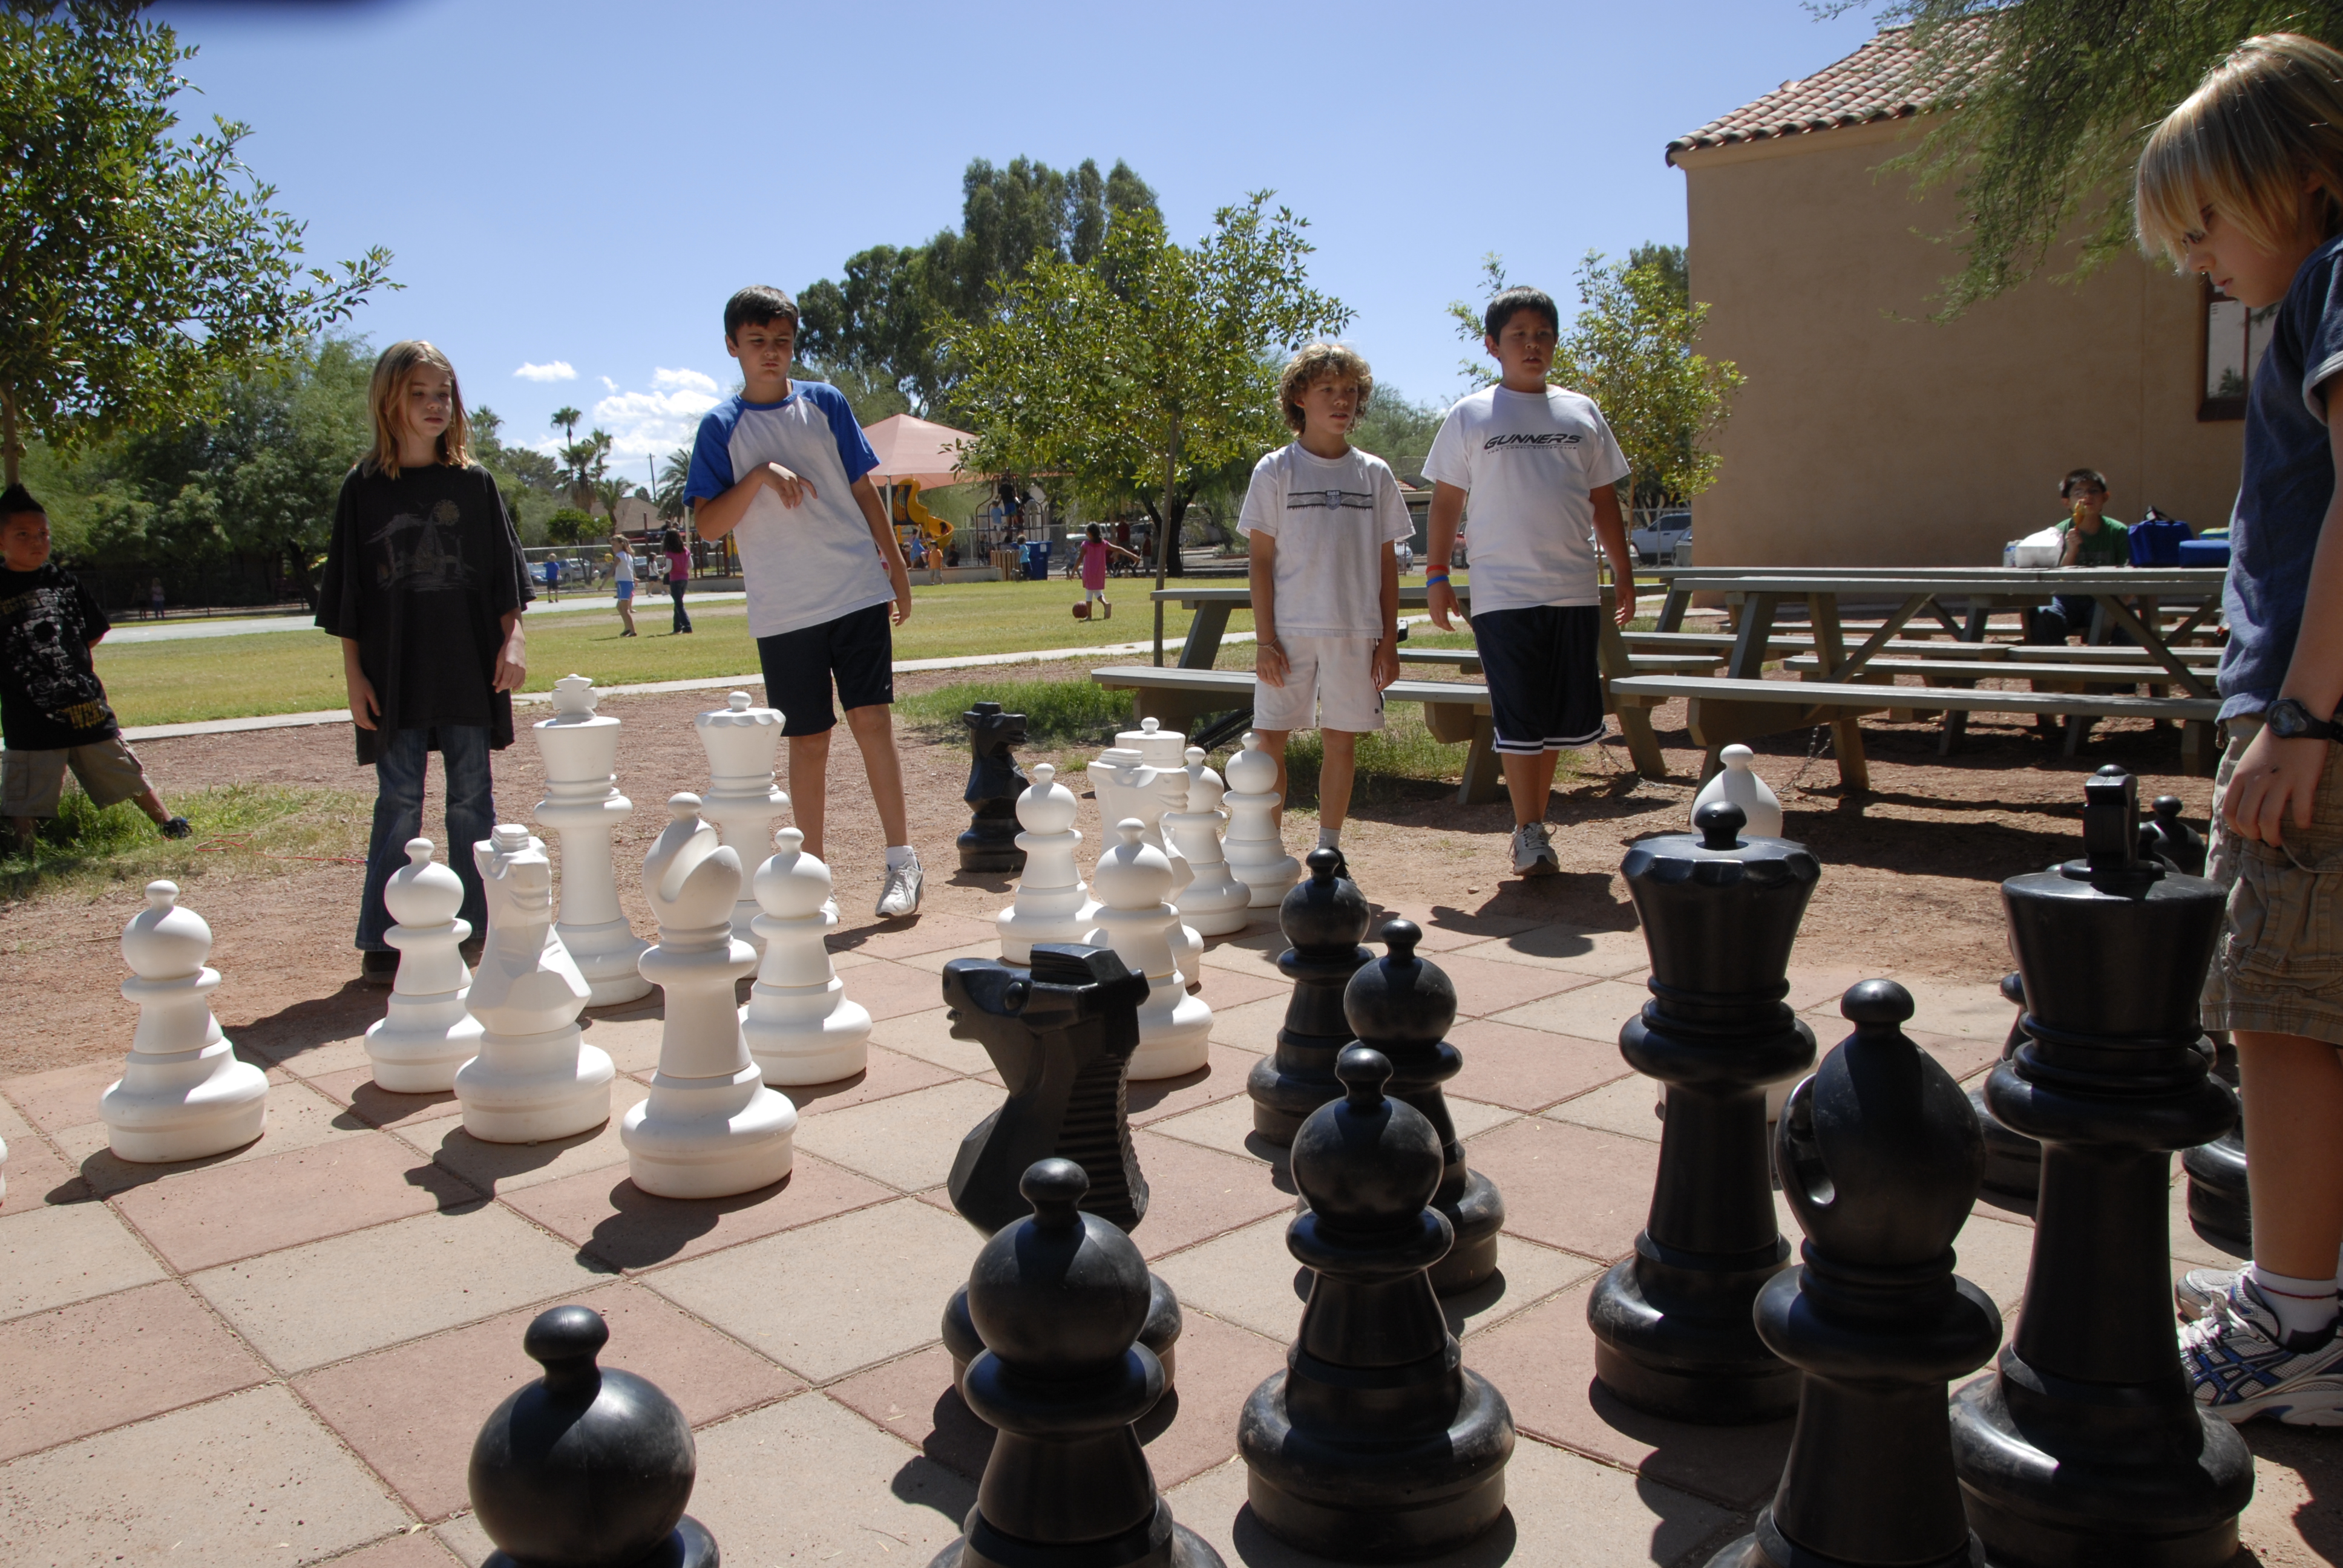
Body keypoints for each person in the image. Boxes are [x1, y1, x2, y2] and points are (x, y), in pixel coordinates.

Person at [2136, 32, 2343, 1422]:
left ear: (2303, 179)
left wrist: (2304, 713)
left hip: (2313, 726)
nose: (2200, 260)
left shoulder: (2333, 282)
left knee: (2277, 1015)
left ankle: (2293, 1323)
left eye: (2207, 224)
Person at [685, 285, 924, 918]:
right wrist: (761, 474)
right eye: (758, 342)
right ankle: (809, 878)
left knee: (872, 721)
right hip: (783, 609)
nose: (772, 354)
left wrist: (895, 569)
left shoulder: (825, 403)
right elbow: (708, 525)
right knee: (808, 740)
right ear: (733, 345)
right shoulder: (719, 429)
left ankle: (902, 861)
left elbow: (863, 490)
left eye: (783, 342)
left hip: (854, 591)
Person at [315, 340, 530, 984]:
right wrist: (354, 676)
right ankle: (386, 936)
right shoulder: (363, 489)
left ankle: (476, 924)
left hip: (467, 666)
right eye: (420, 394)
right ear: (390, 399)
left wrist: (513, 639)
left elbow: (502, 580)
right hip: (394, 673)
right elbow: (349, 594)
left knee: (471, 798)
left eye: (444, 394)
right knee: (398, 798)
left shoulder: (474, 482)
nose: (435, 405)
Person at [1424, 285, 1636, 877]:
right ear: (1492, 345)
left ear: (1554, 343)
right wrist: (1436, 574)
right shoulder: (1470, 415)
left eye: (1542, 334)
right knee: (1517, 711)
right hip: (1501, 593)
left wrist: (1621, 571)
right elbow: (1445, 503)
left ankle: (1533, 826)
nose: (1532, 345)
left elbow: (1603, 500)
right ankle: (1526, 829)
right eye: (1518, 335)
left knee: (1552, 720)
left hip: (1571, 588)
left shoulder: (1580, 413)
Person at [1241, 344, 1410, 867]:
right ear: (1298, 396)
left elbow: (1387, 565)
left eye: (1350, 392)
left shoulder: (1374, 474)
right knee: (1270, 737)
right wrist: (1264, 641)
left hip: (1355, 632)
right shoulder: (1275, 470)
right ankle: (1265, 849)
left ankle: (1328, 849)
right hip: (1288, 634)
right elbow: (1260, 563)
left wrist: (1387, 641)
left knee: (1341, 739)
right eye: (1327, 391)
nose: (1341, 402)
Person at [1, 488, 191, 855]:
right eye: (22, 535)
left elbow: (92, 633)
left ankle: (168, 823)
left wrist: (67, 668)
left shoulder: (64, 582)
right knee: (27, 781)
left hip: (83, 702)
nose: (36, 542)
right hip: (28, 711)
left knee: (119, 766)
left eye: (43, 533)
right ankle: (24, 848)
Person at [2025, 468, 2132, 644]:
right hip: (2067, 599)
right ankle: (2061, 667)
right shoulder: (2058, 533)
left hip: (2105, 599)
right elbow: (2057, 581)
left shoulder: (2118, 531)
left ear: (2105, 497)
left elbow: (2130, 575)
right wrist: (2072, 550)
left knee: (2129, 627)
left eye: (2093, 491)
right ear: (2067, 502)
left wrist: (2121, 603)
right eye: (2078, 492)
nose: (2087, 497)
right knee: (2046, 616)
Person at [1078, 523, 1137, 618]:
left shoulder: (1086, 545)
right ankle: (1106, 604)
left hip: (1089, 573)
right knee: (1098, 592)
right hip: (1100, 573)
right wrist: (1133, 555)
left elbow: (1080, 558)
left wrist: (1073, 572)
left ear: (1090, 534)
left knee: (1089, 593)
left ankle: (1089, 616)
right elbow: (1118, 549)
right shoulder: (1104, 544)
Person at [661, 527, 692, 634]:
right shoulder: (685, 550)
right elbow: (691, 565)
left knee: (679, 604)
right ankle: (677, 627)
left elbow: (668, 568)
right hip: (685, 579)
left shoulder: (669, 553)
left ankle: (687, 626)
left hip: (675, 580)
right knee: (678, 604)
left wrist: (662, 571)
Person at [611, 532, 637, 636]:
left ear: (621, 544)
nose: (612, 547)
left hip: (624, 583)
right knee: (620, 607)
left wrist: (603, 583)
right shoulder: (628, 555)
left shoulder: (619, 556)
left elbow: (612, 569)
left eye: (614, 544)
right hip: (628, 582)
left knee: (624, 609)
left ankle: (633, 631)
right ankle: (627, 628)